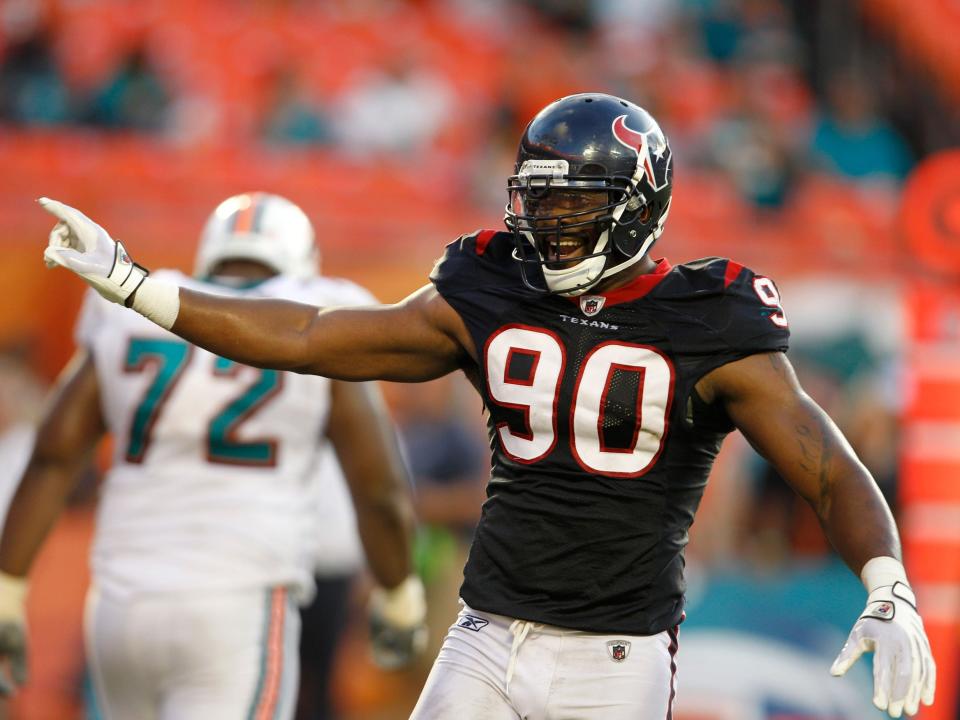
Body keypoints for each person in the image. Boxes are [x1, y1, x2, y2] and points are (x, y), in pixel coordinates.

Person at [32, 93, 935, 719]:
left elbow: (825, 466)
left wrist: (886, 583)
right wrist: (141, 287)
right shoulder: (492, 284)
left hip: (613, 658)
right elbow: (314, 334)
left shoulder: (711, 318)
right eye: (540, 203)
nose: (550, 227)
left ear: (636, 207)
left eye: (575, 206)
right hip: (484, 630)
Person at [0, 192, 426, 719]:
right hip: (236, 600)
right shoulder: (323, 308)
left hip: (120, 602)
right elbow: (378, 487)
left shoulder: (136, 307)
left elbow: (53, 454)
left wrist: (8, 587)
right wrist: (399, 594)